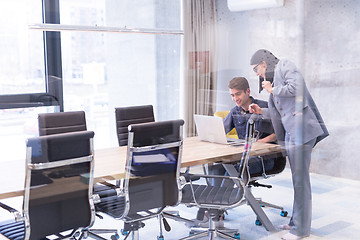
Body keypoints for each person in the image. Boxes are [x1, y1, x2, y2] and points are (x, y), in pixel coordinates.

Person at [248, 49, 329, 240]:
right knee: (297, 181)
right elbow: (279, 113)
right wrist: (261, 111)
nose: (257, 74)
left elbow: (297, 88)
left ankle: (301, 231)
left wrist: (273, 90)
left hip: (302, 131)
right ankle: (295, 223)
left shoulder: (285, 65)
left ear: (264, 63)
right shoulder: (273, 82)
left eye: (256, 69)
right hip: (293, 134)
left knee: (301, 182)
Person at [191, 76, 277, 228]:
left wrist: (260, 142)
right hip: (243, 156)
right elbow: (221, 131)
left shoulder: (264, 107)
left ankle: (213, 212)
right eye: (232, 95)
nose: (235, 98)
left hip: (264, 158)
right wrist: (209, 135)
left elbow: (280, 132)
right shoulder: (235, 111)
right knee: (215, 166)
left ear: (247, 92)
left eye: (238, 94)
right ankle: (216, 211)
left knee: (232, 171)